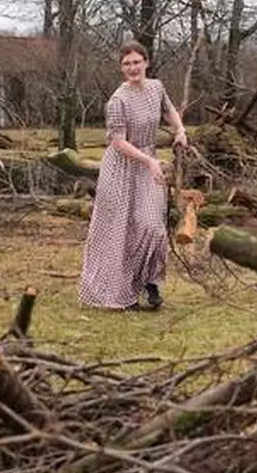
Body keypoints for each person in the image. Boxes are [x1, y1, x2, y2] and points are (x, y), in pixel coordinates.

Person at [78, 40, 188, 311]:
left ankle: (150, 282)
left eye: (136, 62)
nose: (132, 67)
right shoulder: (118, 100)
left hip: (147, 164)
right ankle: (120, 293)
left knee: (152, 226)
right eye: (126, 64)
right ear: (121, 68)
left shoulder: (157, 87)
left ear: (146, 62)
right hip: (121, 168)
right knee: (121, 232)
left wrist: (180, 130)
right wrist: (149, 160)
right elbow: (118, 142)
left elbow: (169, 109)